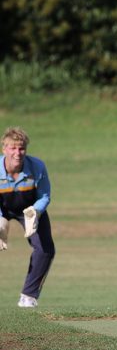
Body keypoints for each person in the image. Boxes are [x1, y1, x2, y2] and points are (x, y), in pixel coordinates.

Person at [0, 127, 55, 308]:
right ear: (4, 149)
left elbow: (45, 195)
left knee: (45, 249)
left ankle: (28, 297)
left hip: (30, 209)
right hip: (3, 208)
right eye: (13, 148)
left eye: (21, 148)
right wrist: (1, 220)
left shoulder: (37, 166)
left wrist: (35, 212)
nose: (17, 153)